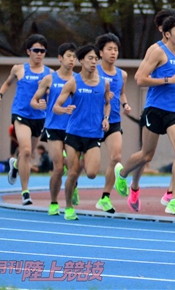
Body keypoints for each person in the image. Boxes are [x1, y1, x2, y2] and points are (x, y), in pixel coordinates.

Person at [113, 15, 175, 217]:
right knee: (146, 155)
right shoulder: (158, 52)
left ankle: (173, 199)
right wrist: (168, 80)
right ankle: (122, 174)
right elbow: (140, 79)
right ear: (167, 34)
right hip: (156, 109)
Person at [54, 44, 110, 221]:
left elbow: (107, 102)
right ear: (81, 60)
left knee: (92, 173)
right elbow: (56, 106)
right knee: (72, 172)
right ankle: (69, 207)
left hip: (93, 134)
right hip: (74, 134)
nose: (94, 62)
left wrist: (106, 118)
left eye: (96, 59)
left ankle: (74, 177)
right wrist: (64, 110)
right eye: (90, 59)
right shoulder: (73, 82)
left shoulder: (104, 83)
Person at [0, 34, 51, 205]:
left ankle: (15, 165)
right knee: (25, 150)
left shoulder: (50, 73)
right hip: (21, 113)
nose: (39, 54)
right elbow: (7, 83)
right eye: (36, 50)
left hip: (39, 117)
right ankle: (25, 192)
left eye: (42, 51)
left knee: (30, 154)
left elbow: (56, 92)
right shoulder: (19, 69)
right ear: (29, 51)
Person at [30, 42, 77, 215]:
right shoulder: (50, 78)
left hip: (73, 128)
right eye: (68, 56)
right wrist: (39, 105)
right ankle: (54, 202)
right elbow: (33, 100)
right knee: (58, 167)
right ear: (60, 58)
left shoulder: (78, 80)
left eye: (74, 56)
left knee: (74, 168)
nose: (72, 60)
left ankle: (73, 189)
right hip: (54, 127)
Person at [94, 33, 131, 214]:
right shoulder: (92, 72)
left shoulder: (122, 74)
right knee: (85, 167)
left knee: (116, 158)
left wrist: (125, 104)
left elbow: (121, 93)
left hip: (114, 121)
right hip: (92, 122)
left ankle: (105, 198)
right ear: (100, 53)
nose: (113, 53)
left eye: (115, 49)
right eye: (109, 49)